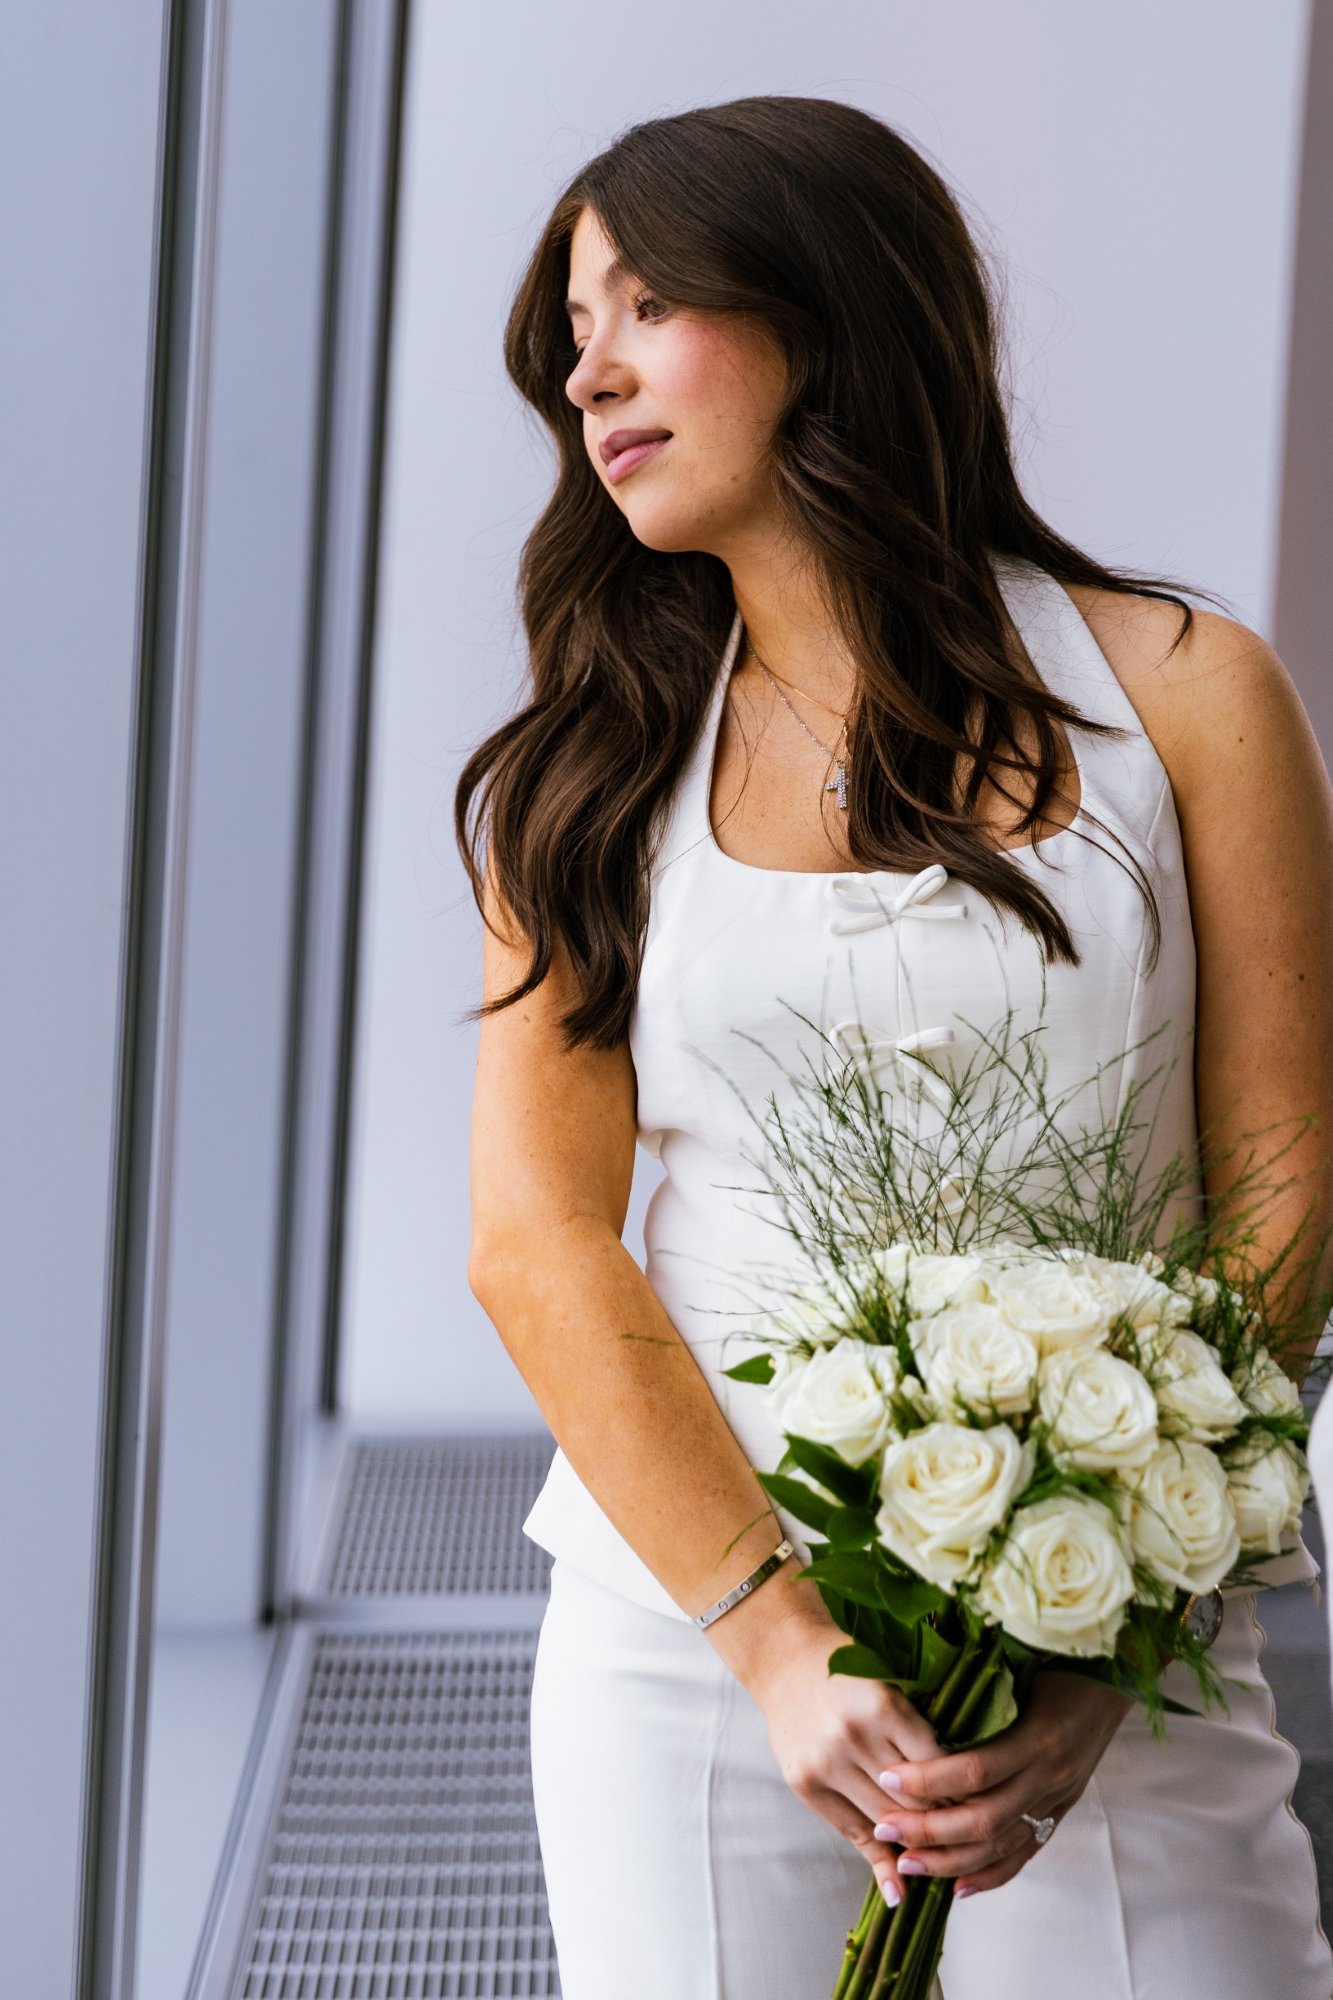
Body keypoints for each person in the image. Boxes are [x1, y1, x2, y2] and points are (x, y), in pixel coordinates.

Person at [458, 95, 1333, 1999]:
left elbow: (1282, 1180)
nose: (584, 368)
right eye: (568, 331)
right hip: (685, 1638)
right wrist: (772, 1638)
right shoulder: (589, 766)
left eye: (641, 304)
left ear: (829, 308)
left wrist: (1106, 1638)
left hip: (1113, 1646)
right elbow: (535, 1238)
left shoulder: (1186, 698)